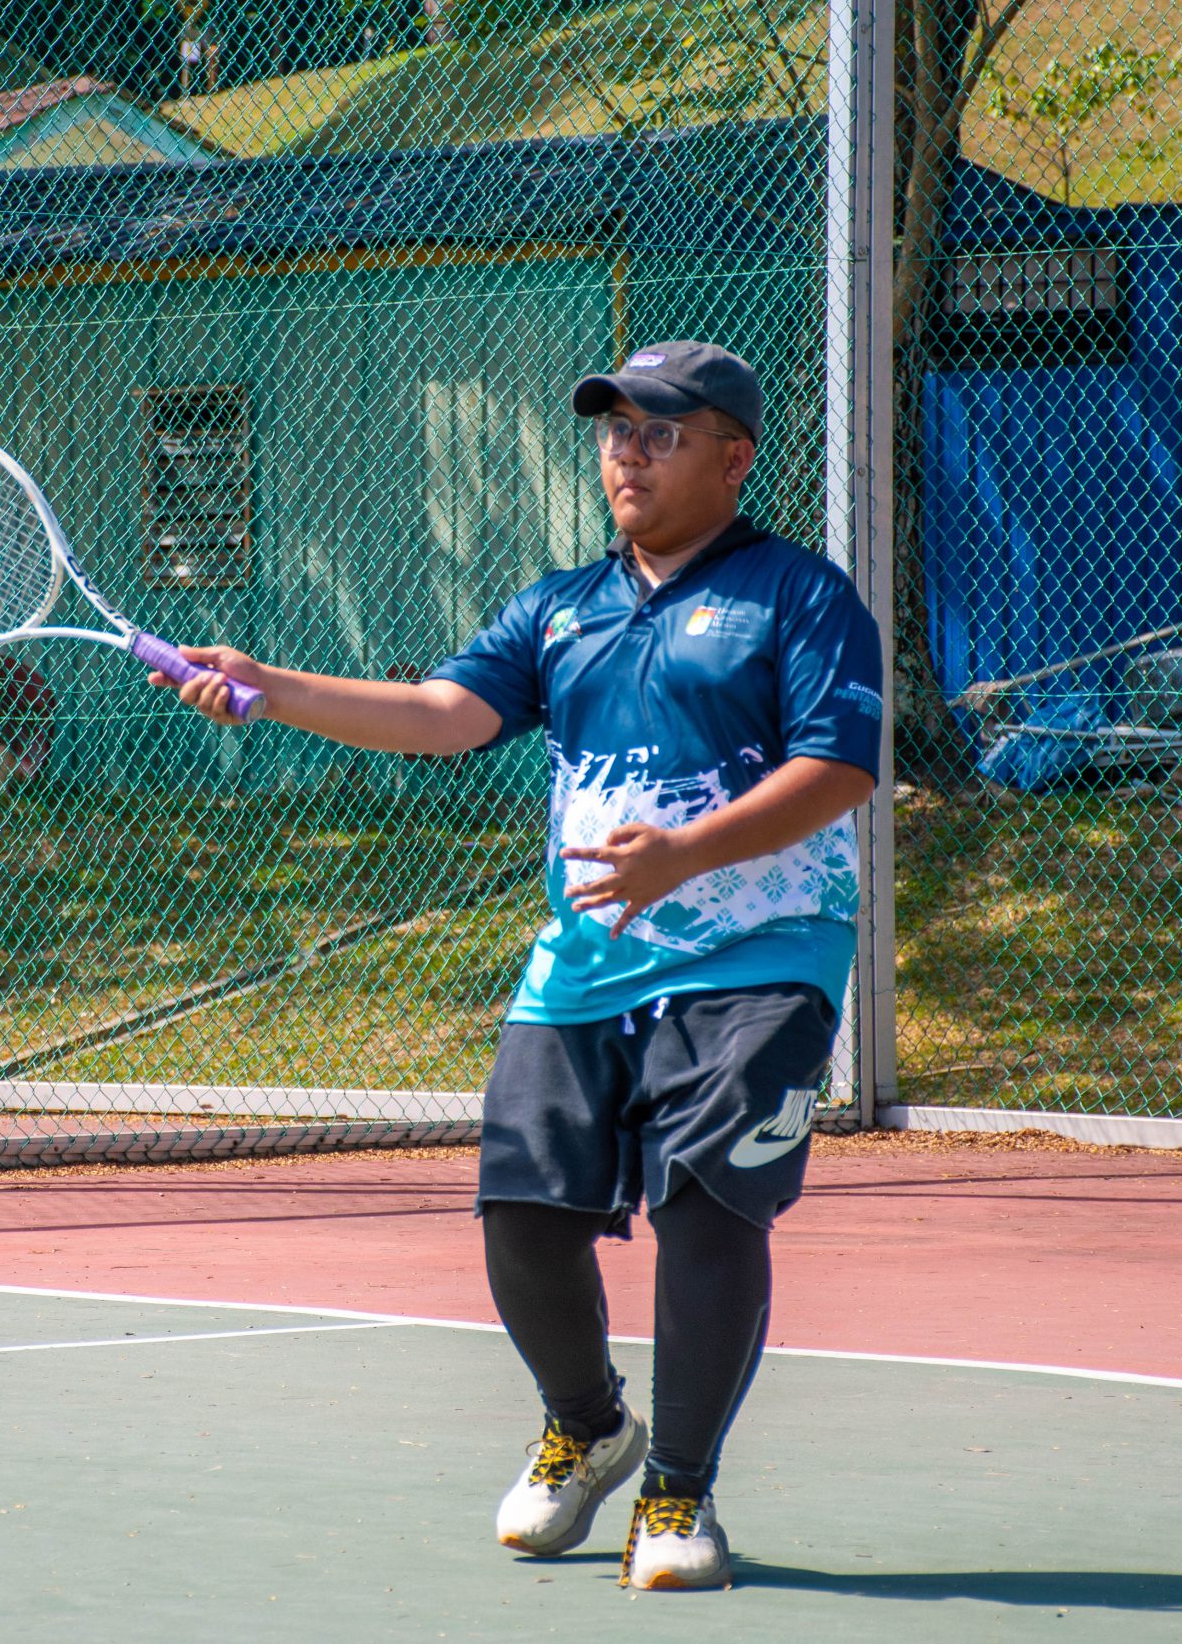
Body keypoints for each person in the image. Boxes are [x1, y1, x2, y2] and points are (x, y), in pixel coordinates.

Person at [155, 342, 883, 1591]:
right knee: (523, 1216)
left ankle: (677, 1493)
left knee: (708, 1206)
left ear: (732, 458)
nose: (627, 453)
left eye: (659, 432)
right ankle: (589, 1428)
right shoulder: (560, 608)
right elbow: (443, 715)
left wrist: (687, 853)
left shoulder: (800, 597)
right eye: (614, 431)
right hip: (586, 963)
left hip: (763, 955)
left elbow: (838, 770)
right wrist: (267, 685)